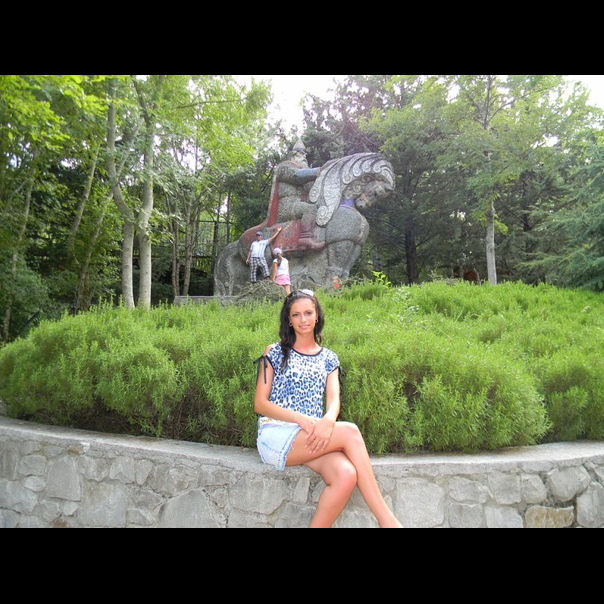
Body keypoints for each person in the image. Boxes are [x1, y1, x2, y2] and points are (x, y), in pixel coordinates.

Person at [254, 289, 402, 528]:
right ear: (289, 320)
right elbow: (260, 404)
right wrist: (302, 419)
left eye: (308, 313)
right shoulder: (275, 352)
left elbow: (334, 400)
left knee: (346, 475)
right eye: (296, 315)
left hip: (313, 435)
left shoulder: (329, 358)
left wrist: (328, 421)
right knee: (350, 432)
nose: (303, 319)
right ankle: (388, 523)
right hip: (277, 435)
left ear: (317, 316)